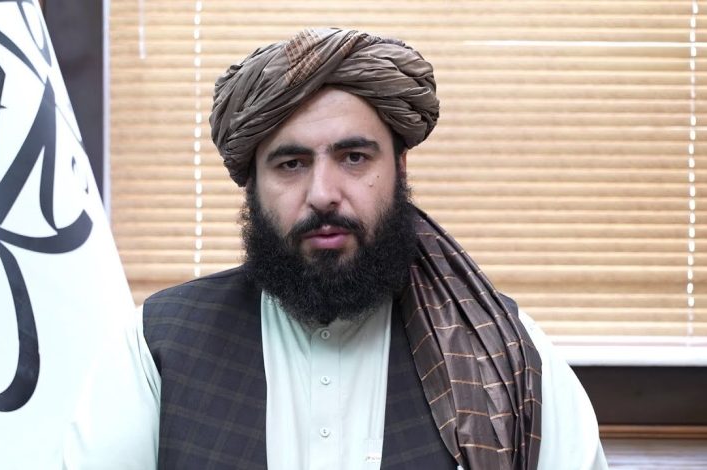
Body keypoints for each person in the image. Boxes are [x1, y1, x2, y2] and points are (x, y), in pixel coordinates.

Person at [63, 28, 607, 470]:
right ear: (252, 184)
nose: (323, 193)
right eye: (291, 164)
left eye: (353, 158)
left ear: (399, 168)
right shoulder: (156, 346)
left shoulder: (505, 352)